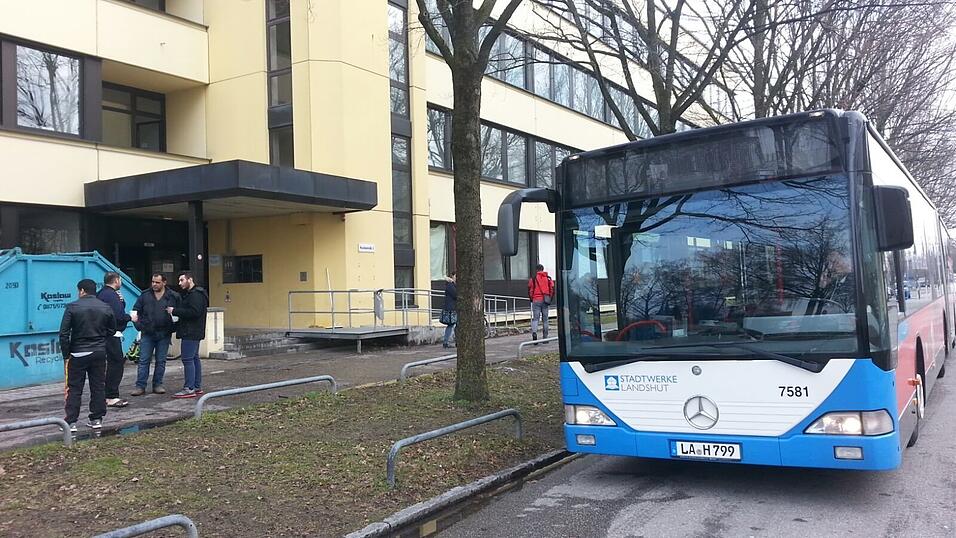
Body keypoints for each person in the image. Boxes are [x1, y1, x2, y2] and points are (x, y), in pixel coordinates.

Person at [59, 279, 116, 432]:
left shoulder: (72, 307)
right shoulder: (105, 307)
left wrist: (66, 353)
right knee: (98, 386)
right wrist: (101, 340)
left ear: (82, 290)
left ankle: (71, 422)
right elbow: (112, 329)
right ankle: (96, 419)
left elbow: (64, 333)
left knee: (74, 388)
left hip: (77, 352)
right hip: (99, 352)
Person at [130, 273, 180, 396]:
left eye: (157, 282)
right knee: (143, 360)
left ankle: (158, 384)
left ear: (164, 282)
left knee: (161, 361)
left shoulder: (173, 296)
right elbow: (136, 311)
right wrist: (139, 326)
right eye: (153, 282)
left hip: (164, 333)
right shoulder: (145, 295)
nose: (154, 284)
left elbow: (179, 312)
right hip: (147, 333)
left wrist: (173, 327)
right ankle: (140, 386)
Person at [169, 271, 209, 398]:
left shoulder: (195, 295)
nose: (179, 283)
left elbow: (194, 312)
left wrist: (175, 311)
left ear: (190, 279)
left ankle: (189, 388)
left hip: (190, 332)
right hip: (193, 331)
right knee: (194, 358)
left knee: (187, 359)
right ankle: (196, 386)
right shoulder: (196, 294)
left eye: (182, 280)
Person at [96, 272, 131, 408]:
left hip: (101, 334)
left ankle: (103, 395)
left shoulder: (101, 294)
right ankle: (111, 396)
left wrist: (122, 301)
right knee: (116, 364)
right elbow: (118, 316)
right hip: (111, 334)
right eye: (120, 280)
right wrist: (130, 318)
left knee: (104, 365)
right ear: (116, 280)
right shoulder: (111, 296)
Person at [528, 264, 555, 343]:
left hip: (536, 300)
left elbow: (530, 290)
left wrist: (531, 298)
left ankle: (534, 332)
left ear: (537, 270)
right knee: (545, 320)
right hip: (545, 300)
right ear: (543, 269)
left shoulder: (533, 279)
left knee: (535, 318)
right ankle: (545, 338)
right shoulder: (548, 278)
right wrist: (550, 299)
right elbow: (552, 289)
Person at [440, 271, 457, 348]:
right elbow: (455, 294)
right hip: (451, 308)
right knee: (451, 324)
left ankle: (449, 342)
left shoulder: (451, 285)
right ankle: (446, 342)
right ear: (452, 276)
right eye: (456, 276)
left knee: (454, 325)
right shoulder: (450, 285)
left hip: (453, 308)